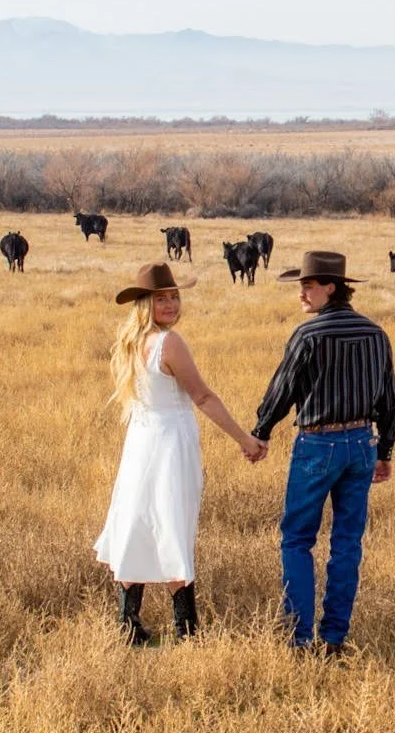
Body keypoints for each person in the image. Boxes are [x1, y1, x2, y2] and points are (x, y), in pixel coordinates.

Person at [94, 261, 266, 645]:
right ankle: (187, 631)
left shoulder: (130, 343)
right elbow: (202, 396)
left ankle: (129, 625)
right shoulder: (169, 343)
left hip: (140, 442)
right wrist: (244, 439)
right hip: (170, 443)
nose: (171, 304)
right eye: (161, 298)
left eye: (174, 296)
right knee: (174, 524)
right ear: (144, 304)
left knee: (137, 522)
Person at [250, 250, 395, 656]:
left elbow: (282, 391)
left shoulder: (308, 335)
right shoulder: (375, 333)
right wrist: (384, 449)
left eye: (308, 285)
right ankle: (334, 638)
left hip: (318, 444)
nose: (302, 292)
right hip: (361, 446)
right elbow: (390, 398)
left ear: (330, 288)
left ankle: (299, 639)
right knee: (347, 543)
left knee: (297, 540)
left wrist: (261, 431)